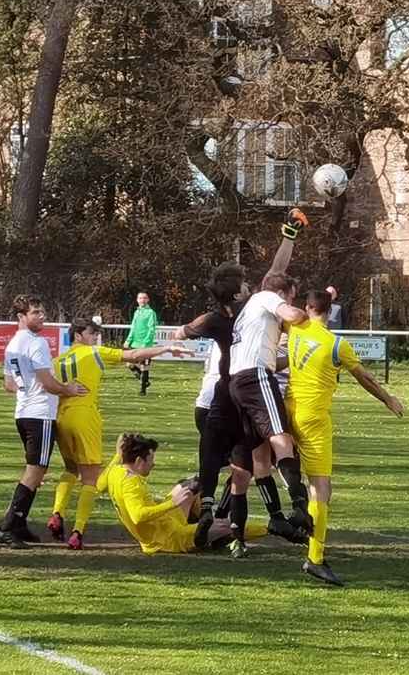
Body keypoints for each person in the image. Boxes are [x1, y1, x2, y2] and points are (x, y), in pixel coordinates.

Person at [172, 209, 310, 557]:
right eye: (246, 283)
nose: (252, 285)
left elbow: (187, 328)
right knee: (259, 454)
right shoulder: (248, 309)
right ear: (239, 293)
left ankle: (214, 514)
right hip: (234, 389)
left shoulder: (221, 316)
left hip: (217, 395)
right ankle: (288, 508)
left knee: (239, 463)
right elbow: (273, 280)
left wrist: (183, 332)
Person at [286, 289, 405, 586]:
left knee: (257, 468)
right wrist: (388, 399)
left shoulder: (294, 328)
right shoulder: (337, 344)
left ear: (306, 307)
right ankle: (315, 558)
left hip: (288, 409)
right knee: (321, 488)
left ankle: (231, 527)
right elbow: (365, 377)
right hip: (314, 418)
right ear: (332, 311)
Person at [47, 318, 187, 549]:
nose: (95, 338)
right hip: (85, 415)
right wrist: (166, 348)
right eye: (92, 333)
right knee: (90, 478)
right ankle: (78, 531)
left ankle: (57, 513)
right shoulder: (93, 352)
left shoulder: (58, 359)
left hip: (62, 416)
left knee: (70, 469)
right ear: (79, 335)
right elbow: (133, 356)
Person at [0, 295, 87, 549]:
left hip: (23, 413)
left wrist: (28, 389)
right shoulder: (37, 343)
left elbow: (9, 384)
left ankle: (19, 523)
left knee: (36, 470)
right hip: (39, 415)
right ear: (21, 317)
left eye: (42, 311)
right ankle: (7, 527)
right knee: (35, 471)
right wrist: (68, 389)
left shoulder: (13, 344)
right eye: (35, 312)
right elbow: (47, 382)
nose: (42, 316)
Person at [229, 271, 311, 540]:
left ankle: (274, 518)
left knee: (259, 455)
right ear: (282, 293)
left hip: (237, 381)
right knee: (281, 439)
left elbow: (274, 360)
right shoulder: (265, 296)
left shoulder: (247, 313)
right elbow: (293, 315)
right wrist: (306, 318)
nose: (291, 300)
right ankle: (300, 506)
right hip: (256, 376)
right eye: (291, 296)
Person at [96, 433, 267, 555]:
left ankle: (205, 523)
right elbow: (138, 516)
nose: (153, 464)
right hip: (168, 539)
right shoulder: (130, 483)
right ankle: (270, 529)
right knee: (228, 525)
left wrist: (117, 455)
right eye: (150, 460)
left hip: (166, 523)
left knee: (190, 485)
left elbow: (99, 485)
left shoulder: (116, 471)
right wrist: (173, 503)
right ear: (139, 461)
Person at [124, 291, 158, 396]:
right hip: (135, 343)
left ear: (148, 300)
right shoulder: (137, 312)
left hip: (145, 345)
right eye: (140, 298)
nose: (142, 300)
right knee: (129, 364)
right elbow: (133, 328)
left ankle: (143, 390)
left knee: (144, 366)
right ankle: (145, 381)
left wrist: (146, 342)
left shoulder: (151, 312)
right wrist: (128, 340)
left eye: (144, 298)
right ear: (137, 300)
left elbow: (151, 329)